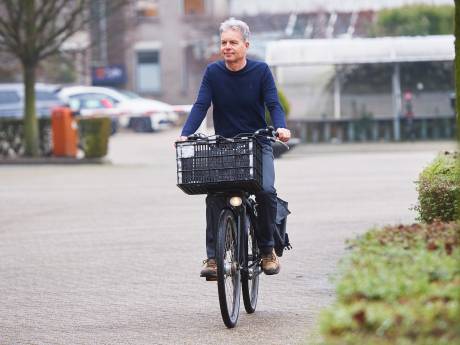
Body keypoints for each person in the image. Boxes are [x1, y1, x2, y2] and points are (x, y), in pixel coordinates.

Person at [176, 17, 291, 279]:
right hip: (225, 145)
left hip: (257, 143)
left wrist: (281, 127)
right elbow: (201, 105)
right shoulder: (213, 73)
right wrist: (186, 134)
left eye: (233, 42)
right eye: (224, 42)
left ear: (246, 45)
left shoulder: (261, 71)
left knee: (265, 191)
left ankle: (266, 251)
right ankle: (214, 259)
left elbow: (274, 104)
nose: (227, 47)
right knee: (214, 195)